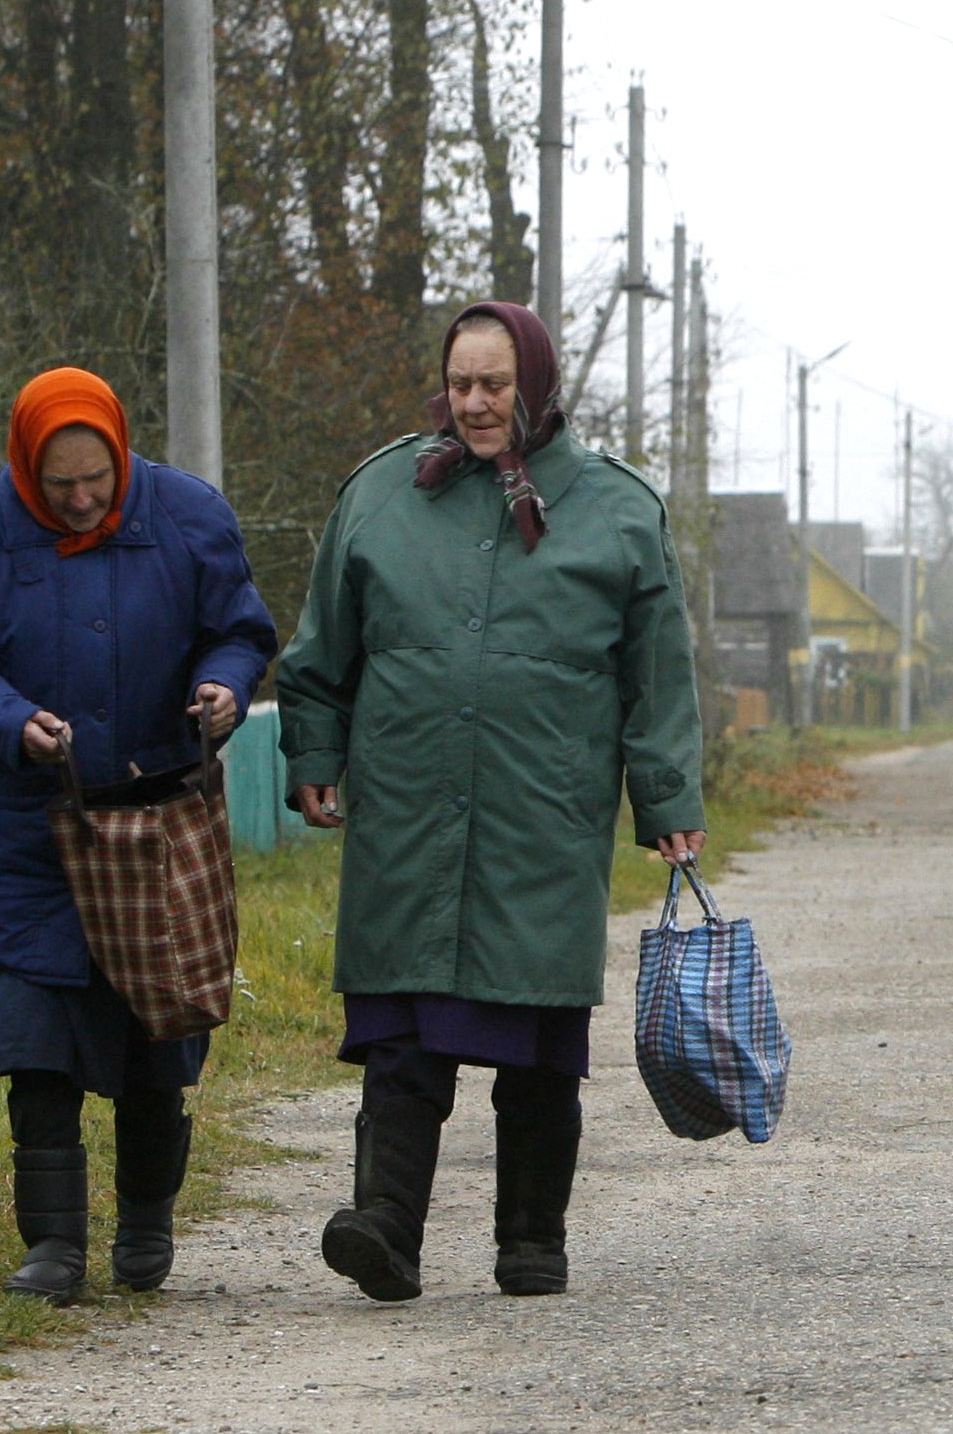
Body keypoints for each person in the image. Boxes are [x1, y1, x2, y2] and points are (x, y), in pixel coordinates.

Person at [275, 300, 706, 1302]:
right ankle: (386, 1228)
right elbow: (319, 649)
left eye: (494, 385)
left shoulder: (617, 508)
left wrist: (666, 797)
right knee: (403, 1029)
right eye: (460, 383)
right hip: (407, 812)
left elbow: (659, 677)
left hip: (540, 816)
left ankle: (530, 1240)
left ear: (538, 387)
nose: (473, 403)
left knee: (538, 1042)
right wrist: (316, 752)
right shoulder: (383, 495)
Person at [0, 367, 278, 1303]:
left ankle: (146, 1220)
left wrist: (225, 685)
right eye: (57, 484)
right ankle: (54, 1247)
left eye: (95, 481)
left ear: (119, 453)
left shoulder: (190, 517)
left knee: (156, 1034)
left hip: (155, 822)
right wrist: (8, 716)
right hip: (19, 830)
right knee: (35, 1035)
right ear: (26, 465)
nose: (78, 500)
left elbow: (241, 628)